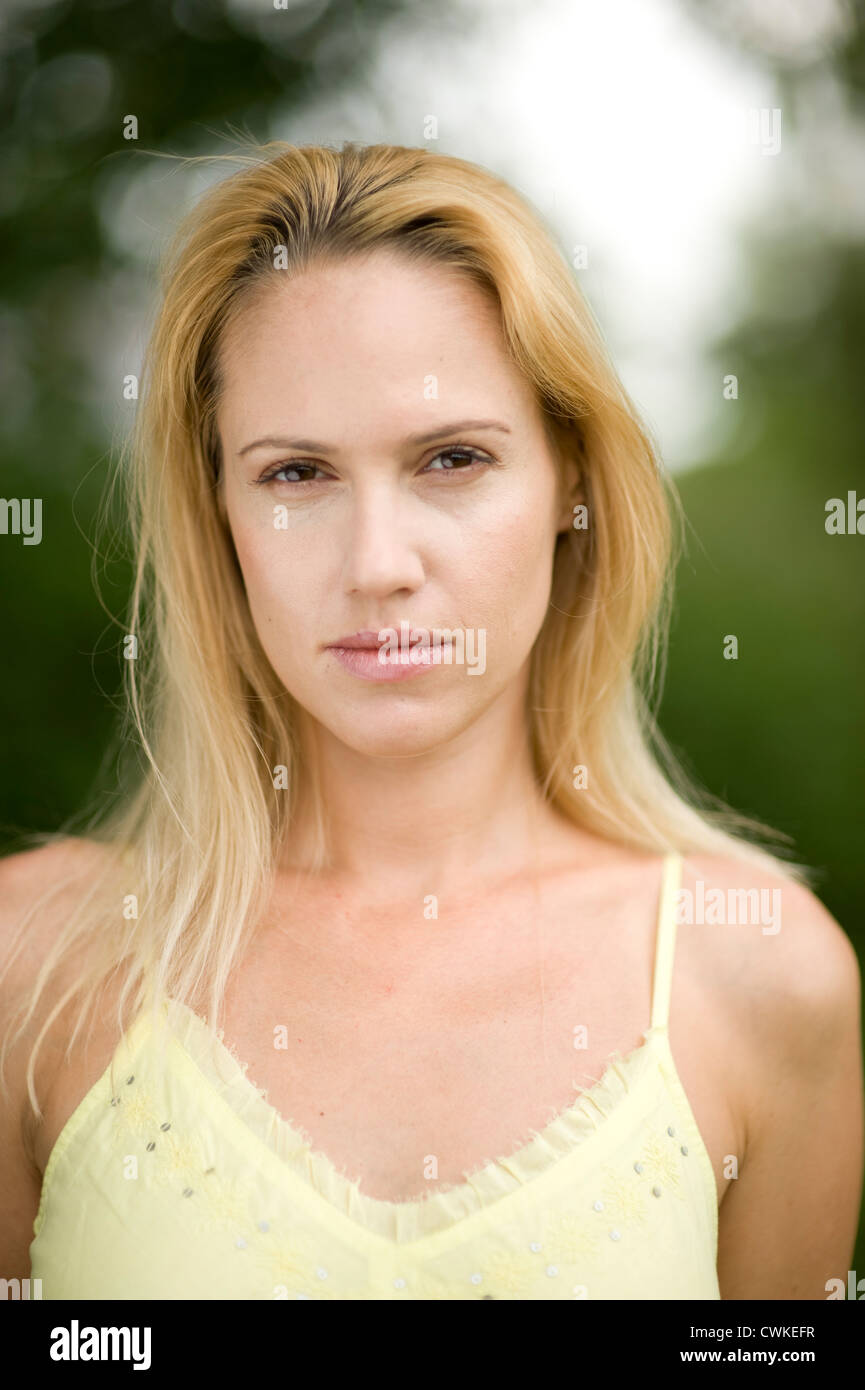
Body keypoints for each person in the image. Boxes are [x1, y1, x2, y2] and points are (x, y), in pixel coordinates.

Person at [0, 141, 861, 1301]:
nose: (378, 565)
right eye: (297, 474)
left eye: (452, 458)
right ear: (219, 513)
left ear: (572, 480)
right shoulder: (35, 962)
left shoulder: (758, 972)